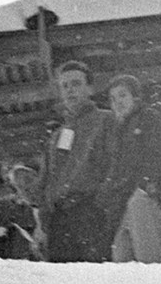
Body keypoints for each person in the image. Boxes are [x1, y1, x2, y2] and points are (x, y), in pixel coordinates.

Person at [34, 61, 115, 262]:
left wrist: (101, 203)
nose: (70, 90)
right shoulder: (57, 136)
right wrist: (45, 218)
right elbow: (47, 180)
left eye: (76, 84)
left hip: (91, 212)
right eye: (65, 86)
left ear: (90, 88)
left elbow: (116, 163)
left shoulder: (107, 120)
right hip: (59, 220)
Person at [98, 74, 161, 264]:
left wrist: (146, 186)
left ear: (135, 97)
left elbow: (159, 155)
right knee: (122, 258)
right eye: (113, 99)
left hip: (146, 199)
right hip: (124, 203)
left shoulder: (149, 119)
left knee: (149, 260)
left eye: (122, 95)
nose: (117, 102)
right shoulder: (119, 130)